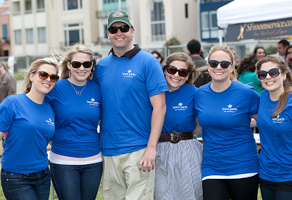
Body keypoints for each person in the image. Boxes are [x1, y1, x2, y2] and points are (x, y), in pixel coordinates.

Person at [92, 10, 168, 199]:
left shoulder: (148, 62)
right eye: (113, 29)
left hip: (139, 149)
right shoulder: (101, 66)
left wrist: (151, 147)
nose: (119, 32)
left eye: (123, 28)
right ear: (108, 34)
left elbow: (160, 107)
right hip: (109, 149)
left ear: (132, 31)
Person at [195, 45, 260, 200]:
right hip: (212, 167)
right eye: (214, 63)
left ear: (231, 67)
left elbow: (265, 124)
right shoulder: (199, 94)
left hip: (243, 166)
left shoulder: (246, 92)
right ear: (208, 66)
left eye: (224, 64)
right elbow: (195, 126)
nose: (219, 67)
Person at [45, 44, 102, 200]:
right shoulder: (55, 88)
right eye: (76, 64)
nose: (81, 68)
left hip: (93, 161)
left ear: (92, 66)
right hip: (63, 162)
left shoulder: (97, 88)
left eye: (86, 64)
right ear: (69, 65)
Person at [0, 57, 59, 200]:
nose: (48, 79)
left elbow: (47, 140)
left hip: (43, 175)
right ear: (31, 76)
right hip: (16, 177)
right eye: (43, 74)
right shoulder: (12, 103)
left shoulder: (50, 109)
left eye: (53, 77)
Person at [154, 52, 203, 200]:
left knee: (190, 193)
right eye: (172, 70)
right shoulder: (154, 92)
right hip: (159, 150)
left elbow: (200, 123)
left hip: (187, 150)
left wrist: (181, 135)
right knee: (162, 195)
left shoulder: (194, 93)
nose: (176, 75)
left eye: (182, 72)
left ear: (188, 75)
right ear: (164, 70)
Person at [256, 55, 292, 200]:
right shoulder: (262, 97)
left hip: (291, 176)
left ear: (284, 75)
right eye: (263, 74)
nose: (268, 77)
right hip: (266, 175)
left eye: (273, 72)